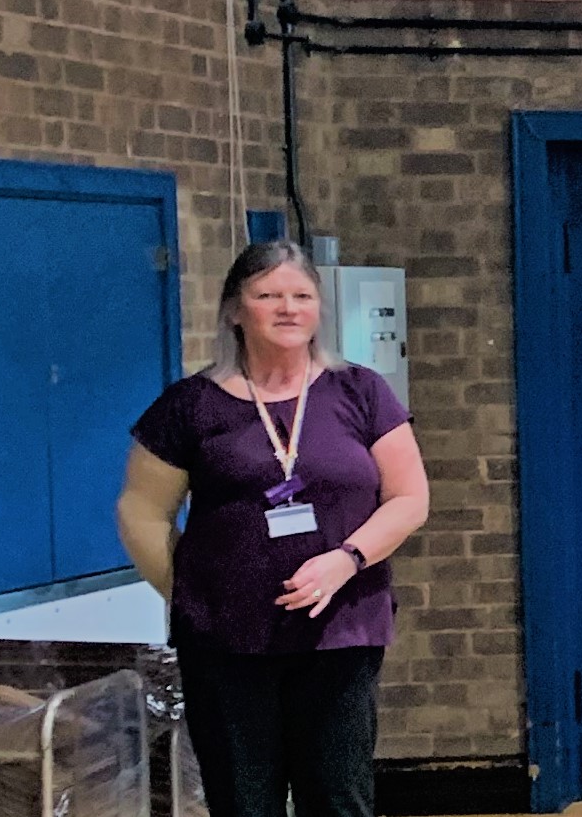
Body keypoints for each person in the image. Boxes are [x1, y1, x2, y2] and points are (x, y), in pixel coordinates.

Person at [116, 240, 431, 817]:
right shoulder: (192, 405)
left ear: (318, 309)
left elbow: (410, 498)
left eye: (301, 296)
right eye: (268, 295)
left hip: (340, 631)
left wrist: (348, 558)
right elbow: (141, 510)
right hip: (228, 643)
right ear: (235, 310)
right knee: (243, 802)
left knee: (339, 799)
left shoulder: (360, 391)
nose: (288, 308)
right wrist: (190, 595)